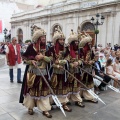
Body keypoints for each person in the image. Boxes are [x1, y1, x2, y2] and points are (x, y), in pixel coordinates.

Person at [19, 27, 53, 118]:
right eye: (42, 37)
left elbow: (51, 59)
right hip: (32, 72)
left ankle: (45, 109)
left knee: (44, 90)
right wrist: (31, 61)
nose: (44, 39)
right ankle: (30, 107)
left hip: (43, 72)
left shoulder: (47, 47)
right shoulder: (31, 47)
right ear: (38, 38)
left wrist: (43, 57)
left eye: (44, 37)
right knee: (31, 90)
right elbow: (25, 58)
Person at [50, 26, 72, 112]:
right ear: (56, 40)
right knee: (53, 87)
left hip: (63, 72)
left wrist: (64, 61)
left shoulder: (66, 49)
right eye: (60, 39)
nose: (62, 41)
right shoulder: (52, 49)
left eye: (63, 39)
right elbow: (51, 62)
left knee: (63, 88)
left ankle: (64, 103)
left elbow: (68, 58)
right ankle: (52, 102)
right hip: (54, 72)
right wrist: (57, 65)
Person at [67, 30, 85, 107]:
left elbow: (82, 59)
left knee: (76, 86)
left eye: (77, 42)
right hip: (69, 71)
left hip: (77, 71)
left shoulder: (79, 50)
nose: (77, 43)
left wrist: (78, 63)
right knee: (68, 86)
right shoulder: (67, 50)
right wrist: (71, 64)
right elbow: (65, 60)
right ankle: (66, 99)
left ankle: (77, 100)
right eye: (75, 42)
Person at [79, 32, 98, 103]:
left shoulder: (90, 51)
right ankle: (80, 95)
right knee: (82, 82)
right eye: (89, 42)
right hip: (83, 69)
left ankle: (89, 97)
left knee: (88, 83)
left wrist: (91, 62)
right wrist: (84, 61)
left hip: (89, 69)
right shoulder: (81, 50)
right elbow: (79, 58)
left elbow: (93, 59)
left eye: (90, 42)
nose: (90, 44)